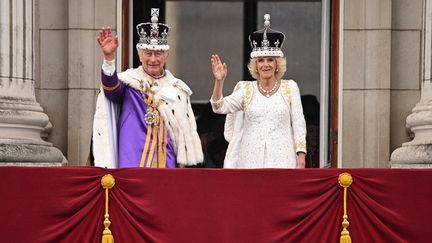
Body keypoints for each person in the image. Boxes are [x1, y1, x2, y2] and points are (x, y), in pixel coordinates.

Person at [92, 8, 203, 168]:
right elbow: (111, 90)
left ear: (166, 57)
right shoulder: (130, 82)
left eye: (158, 54)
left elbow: (183, 134)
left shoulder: (178, 89)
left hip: (166, 162)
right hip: (132, 161)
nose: (152, 59)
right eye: (148, 53)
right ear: (139, 55)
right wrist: (109, 59)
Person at [210, 14, 307, 168]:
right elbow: (219, 106)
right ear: (255, 65)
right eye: (260, 60)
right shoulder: (246, 90)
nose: (265, 65)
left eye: (270, 60)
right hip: (249, 162)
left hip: (283, 161)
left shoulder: (290, 88)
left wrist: (301, 157)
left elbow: (299, 125)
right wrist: (219, 81)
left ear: (277, 64)